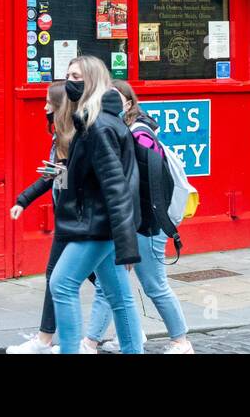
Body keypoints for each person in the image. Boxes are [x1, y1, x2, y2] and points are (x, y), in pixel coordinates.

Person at [81, 80, 193, 355]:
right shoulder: (120, 131)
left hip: (147, 226)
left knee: (154, 286)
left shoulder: (139, 134)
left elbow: (149, 185)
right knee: (110, 286)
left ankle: (181, 342)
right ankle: (109, 339)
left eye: (117, 98)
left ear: (129, 104)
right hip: (130, 225)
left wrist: (134, 230)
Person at [48, 54, 143, 354]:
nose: (70, 83)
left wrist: (127, 244)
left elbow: (116, 187)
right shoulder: (95, 120)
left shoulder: (98, 126)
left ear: (92, 82)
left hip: (98, 225)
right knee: (119, 296)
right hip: (101, 223)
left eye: (77, 78)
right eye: (68, 76)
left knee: (62, 284)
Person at [5, 81, 71, 354]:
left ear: (60, 106)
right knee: (97, 280)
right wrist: (23, 200)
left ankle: (49, 340)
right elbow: (54, 178)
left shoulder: (76, 137)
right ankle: (129, 331)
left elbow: (72, 181)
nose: (44, 106)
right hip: (69, 220)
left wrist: (62, 174)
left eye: (48, 102)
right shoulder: (61, 136)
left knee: (57, 275)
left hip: (77, 222)